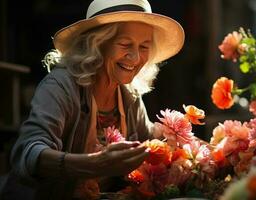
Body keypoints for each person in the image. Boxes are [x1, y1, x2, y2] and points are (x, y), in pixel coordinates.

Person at [2, 0, 185, 199]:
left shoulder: (128, 95)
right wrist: (95, 163)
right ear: (96, 44)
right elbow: (28, 153)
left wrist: (189, 141)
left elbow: (148, 138)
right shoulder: (61, 86)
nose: (135, 57)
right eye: (125, 44)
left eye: (144, 46)